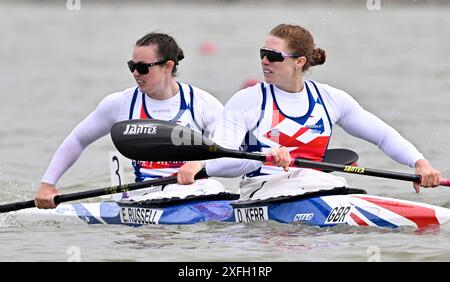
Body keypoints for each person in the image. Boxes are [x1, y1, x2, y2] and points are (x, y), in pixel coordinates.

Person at [177, 23, 441, 193]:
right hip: (262, 189)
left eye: (274, 56)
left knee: (336, 188)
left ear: (299, 61)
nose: (265, 61)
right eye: (262, 54)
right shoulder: (247, 100)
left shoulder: (331, 99)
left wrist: (420, 163)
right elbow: (223, 155)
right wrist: (266, 153)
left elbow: (382, 136)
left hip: (320, 186)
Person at [35, 32, 224, 209]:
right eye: (132, 66)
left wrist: (200, 164)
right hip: (148, 196)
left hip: (199, 191)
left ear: (168, 66)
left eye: (142, 67)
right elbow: (78, 139)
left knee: (215, 186)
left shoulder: (202, 103)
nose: (135, 74)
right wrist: (48, 184)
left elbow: (233, 146)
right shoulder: (120, 104)